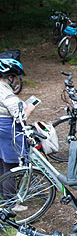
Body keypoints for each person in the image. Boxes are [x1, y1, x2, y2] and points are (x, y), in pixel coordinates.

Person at [0, 60, 36, 212]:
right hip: (8, 130)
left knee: (1, 163)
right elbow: (19, 116)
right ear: (9, 77)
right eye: (14, 77)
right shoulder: (6, 92)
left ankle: (3, 193)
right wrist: (30, 107)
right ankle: (12, 203)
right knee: (11, 166)